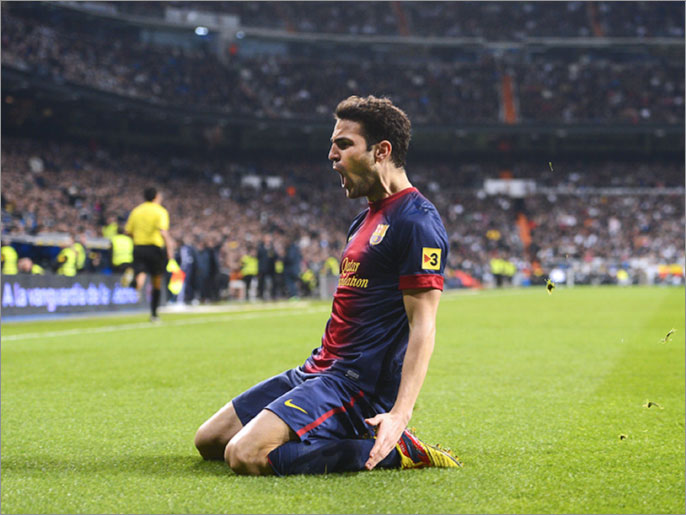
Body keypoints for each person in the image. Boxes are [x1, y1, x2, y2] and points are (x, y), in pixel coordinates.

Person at [194, 95, 460, 476]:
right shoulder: (362, 220)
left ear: (381, 150)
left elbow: (424, 324)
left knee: (246, 454)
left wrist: (400, 413)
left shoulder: (417, 223)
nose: (331, 155)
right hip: (317, 369)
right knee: (210, 441)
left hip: (355, 387)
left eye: (344, 144)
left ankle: (396, 450)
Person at [125, 187, 174, 322]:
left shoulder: (136, 211)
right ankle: (154, 314)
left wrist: (138, 238)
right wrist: (170, 248)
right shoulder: (160, 211)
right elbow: (163, 232)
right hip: (155, 248)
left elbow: (128, 231)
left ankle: (136, 283)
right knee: (156, 280)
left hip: (139, 247)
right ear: (156, 197)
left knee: (141, 271)